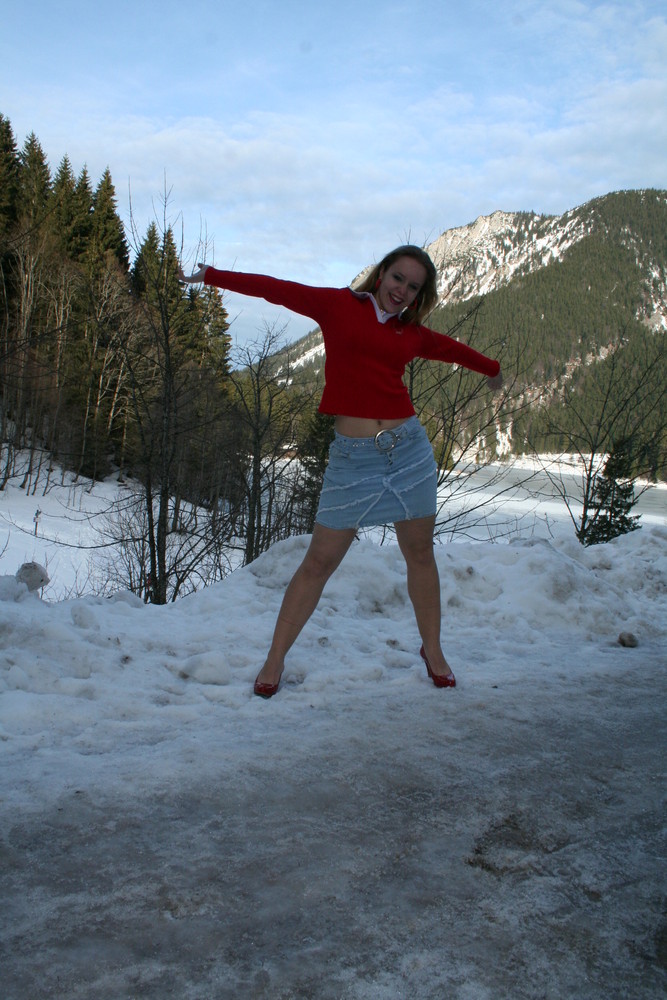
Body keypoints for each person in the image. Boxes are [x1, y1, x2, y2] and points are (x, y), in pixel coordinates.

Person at [179, 246, 502, 697]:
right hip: (353, 461)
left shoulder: (411, 334)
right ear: (380, 274)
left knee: (420, 555)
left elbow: (450, 349)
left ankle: (433, 650)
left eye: (413, 287)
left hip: (408, 454)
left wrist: (490, 369)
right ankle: (274, 659)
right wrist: (212, 275)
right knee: (318, 562)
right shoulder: (338, 306)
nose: (402, 291)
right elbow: (277, 289)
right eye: (397, 279)